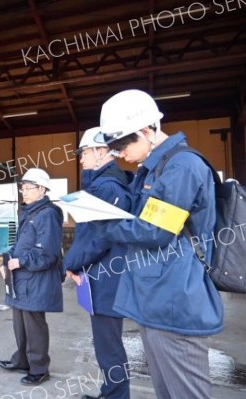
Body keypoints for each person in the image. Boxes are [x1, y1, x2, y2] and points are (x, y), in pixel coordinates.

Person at [93, 90, 223, 399]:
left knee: (184, 392)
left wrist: (103, 222)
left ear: (147, 131)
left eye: (122, 145)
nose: (119, 154)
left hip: (175, 300)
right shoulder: (157, 167)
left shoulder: (182, 167)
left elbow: (155, 231)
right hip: (156, 296)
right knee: (167, 390)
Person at [64, 127, 133, 399]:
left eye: (84, 153)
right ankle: (111, 393)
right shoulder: (106, 184)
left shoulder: (107, 187)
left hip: (107, 277)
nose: (81, 159)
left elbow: (98, 237)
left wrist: (71, 262)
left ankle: (116, 395)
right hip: (105, 274)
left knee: (109, 346)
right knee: (107, 344)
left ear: (101, 151)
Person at [0, 168, 64, 386]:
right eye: (22, 188)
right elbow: (20, 244)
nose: (23, 192)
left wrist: (22, 261)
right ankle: (22, 360)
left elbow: (49, 253)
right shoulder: (30, 213)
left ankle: (40, 368)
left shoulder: (48, 214)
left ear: (42, 189)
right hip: (21, 279)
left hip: (36, 279)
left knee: (34, 325)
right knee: (20, 323)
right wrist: (7, 262)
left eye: (28, 188)